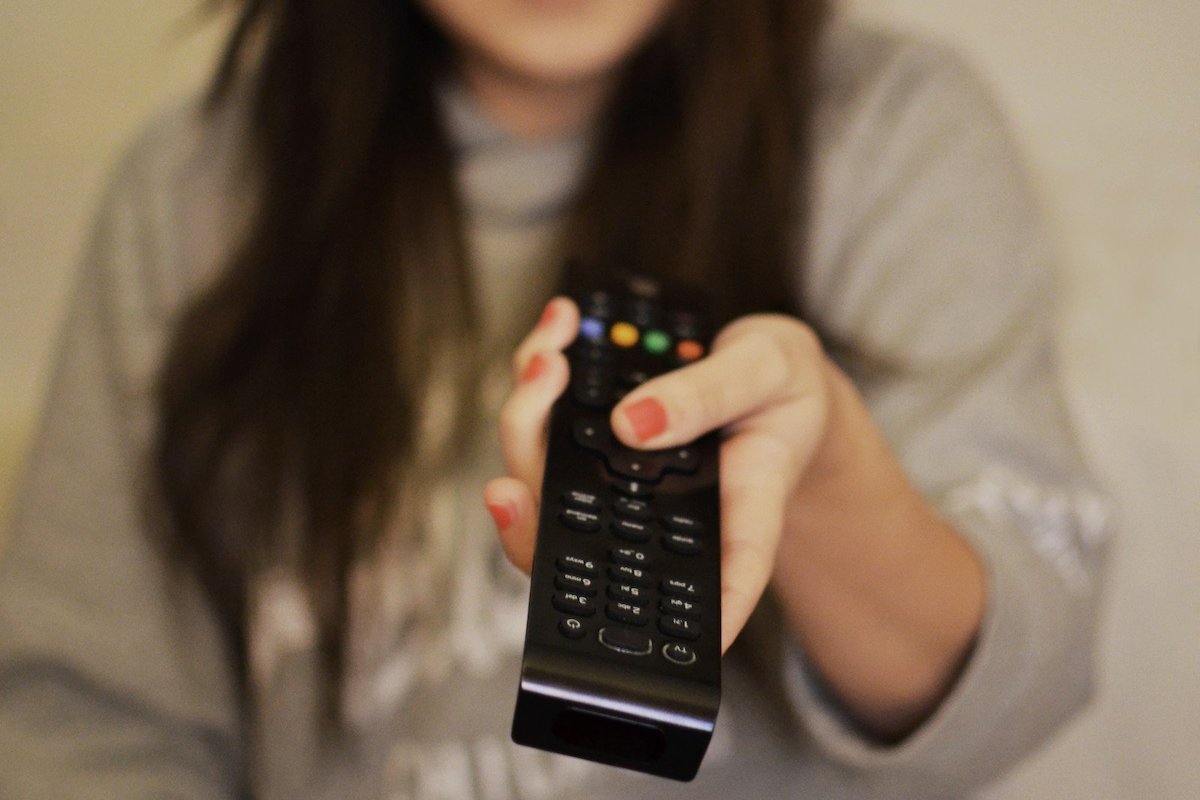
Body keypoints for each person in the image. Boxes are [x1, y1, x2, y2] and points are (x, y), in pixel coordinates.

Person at [0, 1, 1112, 798]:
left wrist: (824, 485)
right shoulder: (193, 189)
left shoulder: (891, 125)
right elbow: (89, 722)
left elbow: (1017, 689)